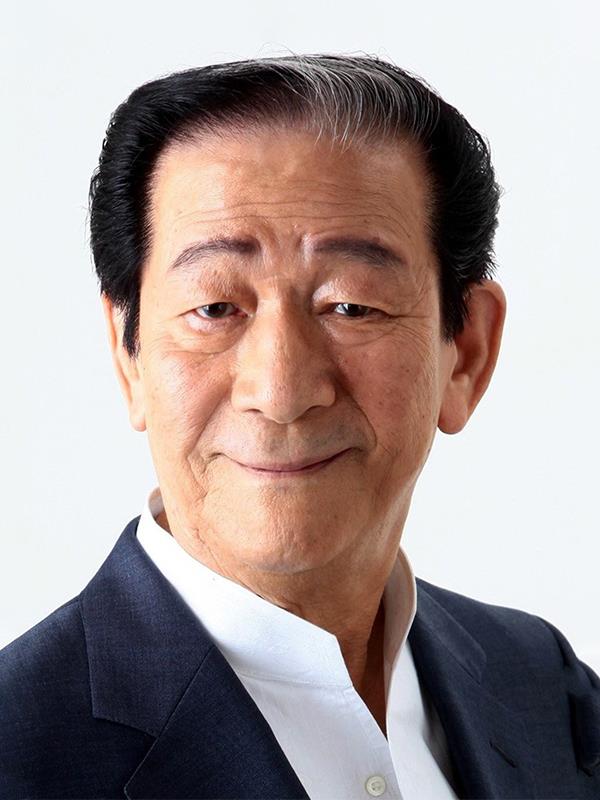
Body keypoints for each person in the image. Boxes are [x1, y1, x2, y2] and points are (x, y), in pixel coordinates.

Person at [0, 53, 598, 800]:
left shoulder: (546, 691)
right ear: (130, 358)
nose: (280, 390)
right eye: (215, 307)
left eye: (351, 305)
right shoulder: (18, 755)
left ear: (466, 353)